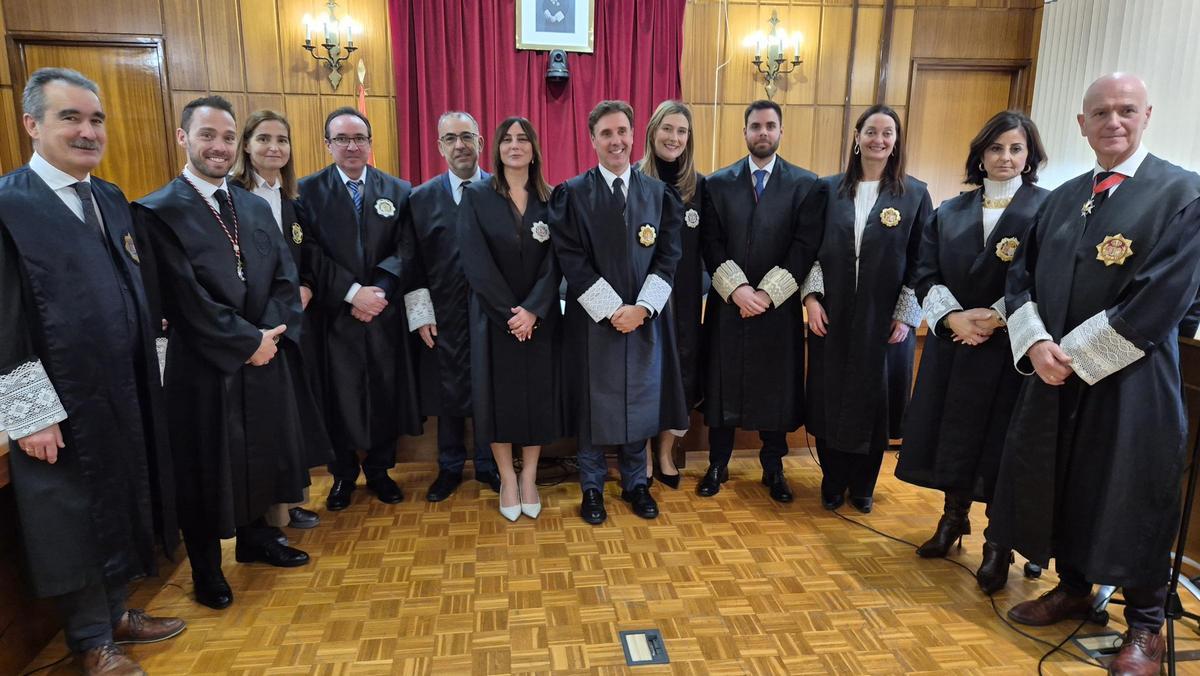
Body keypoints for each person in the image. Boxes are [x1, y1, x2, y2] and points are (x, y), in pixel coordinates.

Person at [990, 73, 1200, 676]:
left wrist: (1072, 357)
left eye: (1126, 110)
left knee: (1129, 494)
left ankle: (1146, 625)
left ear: (1146, 115)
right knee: (1066, 482)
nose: (1114, 121)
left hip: (1132, 385)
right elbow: (1020, 280)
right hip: (1055, 377)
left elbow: (1162, 297)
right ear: (1082, 124)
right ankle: (1075, 588)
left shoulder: (1182, 194)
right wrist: (1036, 345)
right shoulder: (1061, 198)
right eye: (1101, 112)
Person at [0, 67, 184, 676]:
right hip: (60, 402)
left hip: (124, 390)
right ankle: (90, 641)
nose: (87, 131)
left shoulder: (107, 197)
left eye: (96, 119)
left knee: (121, 498)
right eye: (70, 118)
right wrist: (30, 415)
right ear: (32, 124)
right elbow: (3, 320)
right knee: (75, 518)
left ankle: (117, 612)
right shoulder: (8, 206)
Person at [134, 95, 317, 610]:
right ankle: (207, 568)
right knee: (205, 465)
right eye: (207, 135)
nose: (219, 146)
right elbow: (183, 296)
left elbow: (285, 277)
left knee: (260, 452)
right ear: (183, 137)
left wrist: (269, 336)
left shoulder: (252, 206)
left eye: (228, 137)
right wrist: (246, 342)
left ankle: (257, 539)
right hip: (204, 366)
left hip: (264, 356)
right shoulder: (157, 211)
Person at [895, 111, 1049, 595]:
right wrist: (954, 319)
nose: (1005, 157)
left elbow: (1047, 276)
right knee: (954, 434)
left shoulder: (1047, 208)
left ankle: (998, 543)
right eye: (996, 148)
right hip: (955, 345)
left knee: (1002, 444)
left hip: (1012, 349)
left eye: (1016, 149)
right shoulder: (949, 211)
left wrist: (997, 317)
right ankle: (952, 518)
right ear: (980, 156)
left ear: (1029, 156)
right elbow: (925, 272)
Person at [550, 100, 687, 524]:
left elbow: (669, 257)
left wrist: (642, 309)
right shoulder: (572, 194)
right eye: (606, 133)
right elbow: (571, 260)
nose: (616, 141)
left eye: (622, 131)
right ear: (592, 139)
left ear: (633, 135)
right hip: (593, 322)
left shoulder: (658, 195)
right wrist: (613, 310)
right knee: (594, 404)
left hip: (644, 320)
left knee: (639, 400)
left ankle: (636, 483)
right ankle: (592, 487)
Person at [802, 104, 932, 514]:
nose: (879, 139)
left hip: (885, 321)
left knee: (874, 403)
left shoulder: (915, 194)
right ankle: (832, 479)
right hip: (833, 316)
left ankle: (863, 485)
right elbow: (810, 252)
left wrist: (907, 313)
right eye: (871, 131)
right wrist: (811, 299)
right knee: (831, 398)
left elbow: (923, 260)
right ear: (857, 138)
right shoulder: (827, 190)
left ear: (896, 141)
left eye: (887, 133)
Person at [295, 107, 423, 511]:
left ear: (370, 143)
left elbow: (407, 247)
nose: (351, 146)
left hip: (383, 313)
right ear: (327, 144)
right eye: (342, 139)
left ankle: (381, 471)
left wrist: (379, 291)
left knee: (385, 391)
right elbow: (309, 252)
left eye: (359, 138)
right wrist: (352, 293)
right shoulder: (306, 192)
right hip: (335, 315)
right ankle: (343, 476)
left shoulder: (398, 190)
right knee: (339, 396)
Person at [697, 99, 822, 503]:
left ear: (781, 131)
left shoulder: (805, 185)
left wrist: (767, 294)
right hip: (728, 305)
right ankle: (717, 464)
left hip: (777, 310)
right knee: (722, 384)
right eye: (755, 126)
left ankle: (773, 467)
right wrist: (737, 290)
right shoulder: (717, 184)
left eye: (770, 125)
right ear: (745, 132)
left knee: (775, 388)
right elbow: (710, 243)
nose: (763, 132)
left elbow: (805, 246)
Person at [458, 117, 563, 520]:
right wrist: (510, 314)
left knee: (537, 400)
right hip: (493, 318)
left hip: (540, 319)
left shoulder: (551, 198)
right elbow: (475, 262)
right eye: (507, 139)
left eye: (523, 139)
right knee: (496, 401)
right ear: (497, 148)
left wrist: (533, 309)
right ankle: (506, 477)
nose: (515, 145)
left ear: (534, 149)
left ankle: (529, 477)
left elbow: (557, 261)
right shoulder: (476, 196)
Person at [231, 109, 328, 535]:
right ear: (246, 145)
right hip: (255, 330)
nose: (274, 148)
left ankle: (289, 506)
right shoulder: (232, 197)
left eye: (282, 140)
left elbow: (305, 257)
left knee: (291, 420)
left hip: (292, 327)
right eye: (264, 139)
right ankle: (264, 522)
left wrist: (306, 286)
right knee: (263, 427)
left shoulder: (291, 200)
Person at [406, 111, 500, 502]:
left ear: (480, 142)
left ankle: (490, 464)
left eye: (466, 136)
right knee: (448, 390)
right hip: (442, 313)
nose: (459, 145)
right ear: (439, 147)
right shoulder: (421, 198)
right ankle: (449, 467)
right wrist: (421, 314)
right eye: (450, 138)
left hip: (491, 313)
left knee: (490, 387)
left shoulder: (500, 191)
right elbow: (412, 260)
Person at [636, 100, 706, 489]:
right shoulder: (634, 180)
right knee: (647, 375)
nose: (674, 137)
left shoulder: (700, 187)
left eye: (681, 131)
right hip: (644, 299)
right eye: (667, 128)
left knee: (681, 375)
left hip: (685, 301)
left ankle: (666, 452)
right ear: (652, 132)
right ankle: (644, 454)